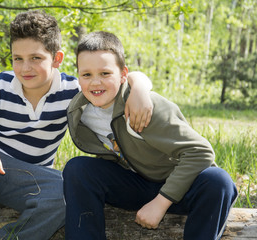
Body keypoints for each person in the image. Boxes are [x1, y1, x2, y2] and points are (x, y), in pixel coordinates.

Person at [0, 11, 153, 240]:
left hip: (29, 180)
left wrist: (141, 88)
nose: (25, 68)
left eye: (36, 58)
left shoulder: (72, 92)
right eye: (18, 58)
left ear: (57, 59)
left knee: (66, 194)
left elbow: (124, 75)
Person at [63, 31, 238, 240]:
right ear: (78, 76)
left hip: (180, 188)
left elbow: (201, 152)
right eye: (87, 75)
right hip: (136, 184)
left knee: (219, 181)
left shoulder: (145, 106)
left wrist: (160, 203)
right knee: (77, 169)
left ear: (122, 75)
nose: (95, 83)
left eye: (105, 73)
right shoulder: (80, 113)